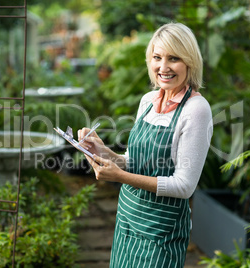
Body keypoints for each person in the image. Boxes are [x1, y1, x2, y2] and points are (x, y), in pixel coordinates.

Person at [78, 22, 213, 268]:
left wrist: (120, 176)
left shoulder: (196, 109)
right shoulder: (148, 100)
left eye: (174, 58)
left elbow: (184, 187)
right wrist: (102, 151)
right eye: (157, 57)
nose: (163, 67)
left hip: (161, 230)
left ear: (190, 62)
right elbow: (135, 162)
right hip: (128, 219)